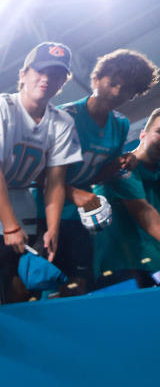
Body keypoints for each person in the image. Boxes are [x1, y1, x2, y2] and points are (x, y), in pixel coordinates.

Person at [0, 42, 83, 306]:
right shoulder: (2, 106)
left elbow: (55, 181)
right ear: (23, 74)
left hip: (23, 206)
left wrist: (52, 229)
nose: (46, 79)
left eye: (55, 74)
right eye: (40, 71)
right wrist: (10, 224)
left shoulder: (63, 122)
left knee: (21, 291)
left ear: (62, 82)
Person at [48, 49, 159, 295]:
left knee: (78, 288)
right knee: (37, 286)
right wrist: (73, 192)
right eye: (113, 83)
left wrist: (121, 164)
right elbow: (37, 174)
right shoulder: (65, 117)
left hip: (79, 220)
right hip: (45, 212)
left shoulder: (120, 125)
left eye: (127, 89)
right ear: (96, 79)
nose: (117, 92)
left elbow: (99, 175)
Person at [95, 107, 160, 286]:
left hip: (153, 264)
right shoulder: (121, 168)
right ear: (142, 135)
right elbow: (144, 213)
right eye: (159, 132)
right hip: (121, 269)